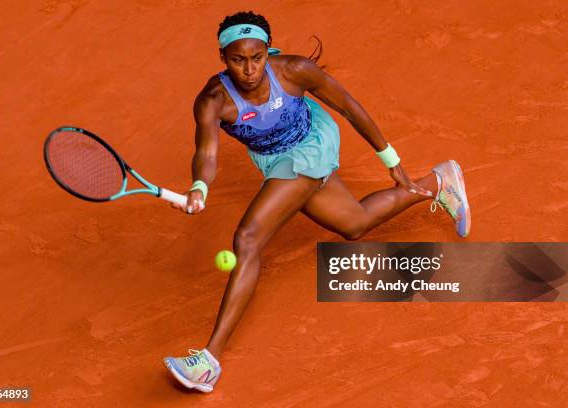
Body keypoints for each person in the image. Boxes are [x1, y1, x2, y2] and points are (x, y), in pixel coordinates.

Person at [163, 11, 471, 393]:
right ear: (222, 57)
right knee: (354, 224)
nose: (249, 69)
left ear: (266, 51)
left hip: (311, 144)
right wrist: (199, 187)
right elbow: (207, 153)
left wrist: (391, 160)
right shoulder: (212, 99)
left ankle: (209, 360)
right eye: (237, 60)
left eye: (256, 57)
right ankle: (439, 182)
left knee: (247, 239)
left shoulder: (293, 70)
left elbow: (348, 104)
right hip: (275, 160)